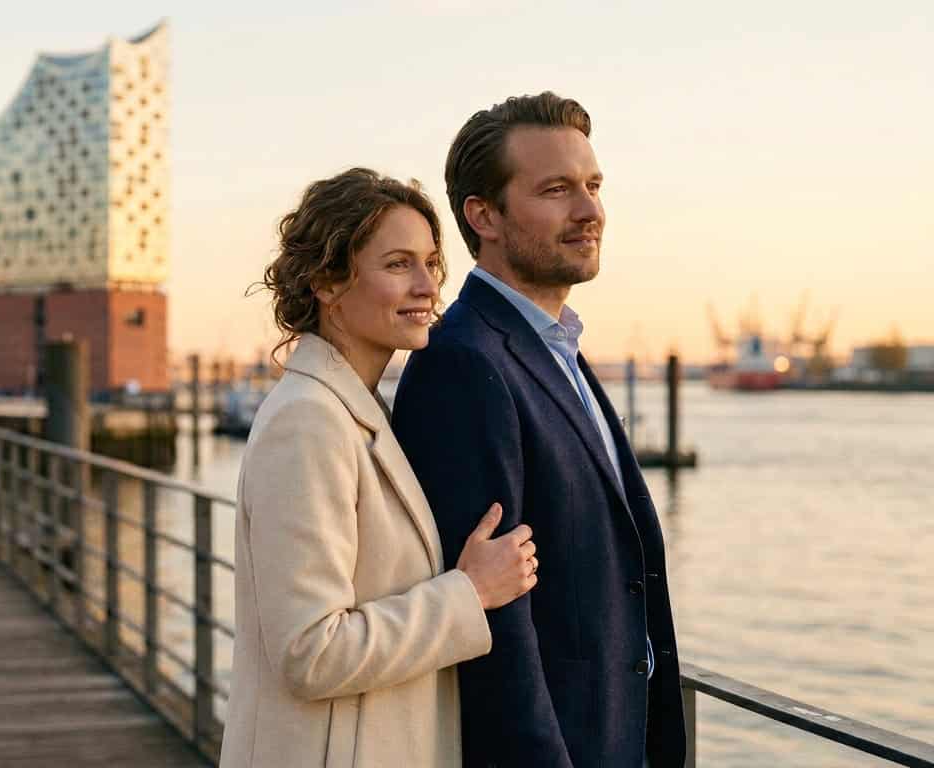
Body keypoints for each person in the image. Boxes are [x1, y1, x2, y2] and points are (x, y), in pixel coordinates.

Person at [392, 93, 685, 768]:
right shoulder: (463, 363)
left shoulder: (559, 351)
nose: (590, 211)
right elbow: (493, 627)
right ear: (484, 215)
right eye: (556, 190)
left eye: (593, 185)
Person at [220, 169, 539, 768]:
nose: (427, 286)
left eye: (430, 263)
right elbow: (309, 651)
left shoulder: (354, 411)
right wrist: (469, 593)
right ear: (327, 281)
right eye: (398, 264)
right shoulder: (308, 422)